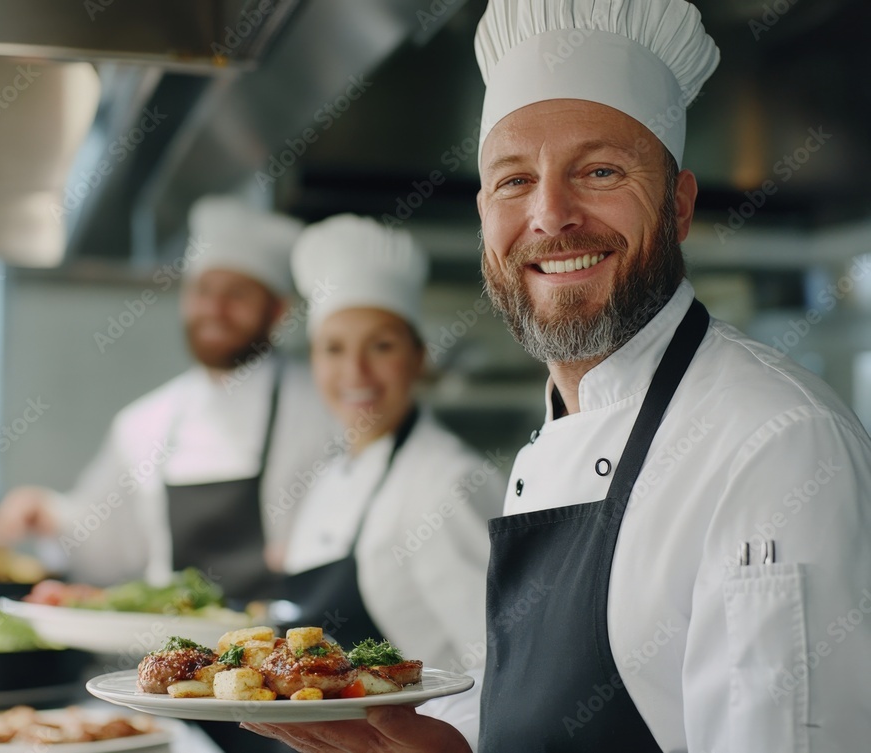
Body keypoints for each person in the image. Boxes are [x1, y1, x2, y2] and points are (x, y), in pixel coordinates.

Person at [243, 0, 871, 751]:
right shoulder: (551, 443)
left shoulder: (776, 445)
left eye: (599, 170)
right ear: (483, 215)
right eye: (513, 181)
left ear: (678, 206)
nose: (550, 215)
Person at [0, 196, 338, 600]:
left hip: (289, 653)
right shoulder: (144, 423)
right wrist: (50, 514)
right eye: (203, 290)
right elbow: (108, 550)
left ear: (277, 311)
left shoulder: (328, 408)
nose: (215, 309)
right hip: (178, 654)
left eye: (238, 294)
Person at [277, 214, 504, 743]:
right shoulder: (330, 478)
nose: (355, 372)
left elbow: (502, 664)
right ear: (313, 359)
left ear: (418, 357)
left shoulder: (449, 482)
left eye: (380, 346)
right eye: (334, 348)